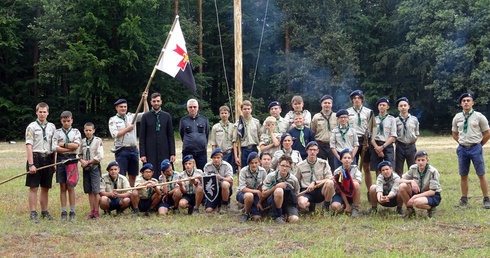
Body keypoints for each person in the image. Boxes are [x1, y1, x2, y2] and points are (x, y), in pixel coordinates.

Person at [451, 93, 490, 208]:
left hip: (476, 148)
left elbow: (487, 133)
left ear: (472, 103)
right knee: (463, 174)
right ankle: (464, 199)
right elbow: (454, 133)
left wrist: (479, 144)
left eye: (468, 100)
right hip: (463, 149)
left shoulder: (479, 116)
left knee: (481, 174)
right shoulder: (457, 117)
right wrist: (462, 143)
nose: (466, 102)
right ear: (460, 104)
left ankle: (486, 199)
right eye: (464, 101)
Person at [108, 93, 149, 187]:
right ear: (116, 108)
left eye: (125, 106)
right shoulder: (113, 120)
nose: (123, 108)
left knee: (133, 174)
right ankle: (123, 194)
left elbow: (146, 114)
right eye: (121, 107)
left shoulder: (131, 116)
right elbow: (115, 134)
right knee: (121, 174)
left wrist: (145, 100)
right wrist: (127, 128)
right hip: (122, 150)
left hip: (133, 150)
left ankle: (131, 193)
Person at [25, 102, 57, 222]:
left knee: (45, 187)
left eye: (44, 112)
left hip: (48, 158)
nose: (42, 114)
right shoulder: (31, 127)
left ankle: (44, 211)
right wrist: (31, 164)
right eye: (40, 112)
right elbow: (29, 145)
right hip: (36, 157)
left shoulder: (52, 127)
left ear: (48, 113)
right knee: (33, 187)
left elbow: (54, 147)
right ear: (36, 112)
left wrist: (53, 163)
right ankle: (33, 213)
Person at [52, 111, 81, 221]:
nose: (66, 123)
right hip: (60, 159)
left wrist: (63, 145)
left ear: (72, 120)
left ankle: (72, 211)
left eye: (68, 121)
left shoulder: (76, 132)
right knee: (62, 186)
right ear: (61, 121)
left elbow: (76, 146)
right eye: (64, 121)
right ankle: (64, 211)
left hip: (72, 160)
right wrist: (69, 147)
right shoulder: (57, 132)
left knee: (71, 186)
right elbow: (55, 148)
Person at [139, 92, 176, 180]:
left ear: (161, 102)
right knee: (151, 171)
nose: (156, 103)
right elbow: (142, 137)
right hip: (150, 150)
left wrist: (172, 153)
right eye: (154, 101)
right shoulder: (145, 117)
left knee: (166, 170)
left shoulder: (166, 116)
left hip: (164, 149)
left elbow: (170, 136)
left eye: (158, 101)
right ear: (151, 102)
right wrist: (142, 154)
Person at [398, 151, 442, 218]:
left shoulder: (433, 171)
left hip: (431, 195)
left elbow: (432, 191)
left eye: (423, 160)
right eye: (418, 160)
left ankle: (431, 208)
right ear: (415, 161)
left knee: (417, 202)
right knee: (402, 186)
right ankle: (410, 211)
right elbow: (400, 180)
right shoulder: (413, 168)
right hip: (418, 192)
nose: (420, 162)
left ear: (427, 160)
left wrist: (415, 197)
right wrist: (411, 181)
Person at [295, 141, 334, 213]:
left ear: (318, 151)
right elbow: (296, 180)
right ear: (307, 151)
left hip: (320, 189)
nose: (312, 152)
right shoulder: (300, 165)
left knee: (330, 183)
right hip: (307, 191)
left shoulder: (323, 163)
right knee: (302, 204)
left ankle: (326, 206)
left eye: (315, 150)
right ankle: (310, 205)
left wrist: (315, 182)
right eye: (310, 150)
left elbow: (329, 178)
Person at [261, 155, 300, 224]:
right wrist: (276, 187)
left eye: (287, 166)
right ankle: (278, 215)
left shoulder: (293, 179)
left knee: (295, 219)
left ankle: (286, 215)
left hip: (288, 202)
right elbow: (264, 194)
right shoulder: (271, 176)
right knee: (279, 190)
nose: (284, 168)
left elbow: (296, 193)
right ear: (278, 165)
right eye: (282, 165)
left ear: (290, 167)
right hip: (274, 201)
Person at [346, 90, 373, 191]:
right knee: (352, 167)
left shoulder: (369, 112)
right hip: (352, 141)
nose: (357, 100)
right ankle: (351, 190)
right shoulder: (347, 112)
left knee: (367, 167)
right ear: (352, 100)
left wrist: (368, 142)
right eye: (354, 98)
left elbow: (372, 128)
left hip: (364, 140)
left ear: (362, 99)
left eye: (359, 98)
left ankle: (370, 191)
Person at [78, 122, 104, 219]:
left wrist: (88, 162)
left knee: (96, 191)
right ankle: (91, 211)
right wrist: (82, 161)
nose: (88, 132)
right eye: (86, 130)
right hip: (86, 168)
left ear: (93, 131)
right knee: (89, 191)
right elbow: (79, 154)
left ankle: (97, 211)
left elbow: (100, 155)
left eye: (90, 130)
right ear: (84, 131)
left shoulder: (98, 141)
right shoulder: (83, 141)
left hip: (94, 168)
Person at [179, 98, 210, 170]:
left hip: (201, 151)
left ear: (198, 107)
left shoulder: (204, 120)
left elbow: (207, 134)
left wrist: (203, 144)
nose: (192, 108)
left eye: (194, 107)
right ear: (187, 108)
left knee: (203, 172)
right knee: (187, 172)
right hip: (188, 151)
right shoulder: (183, 120)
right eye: (190, 107)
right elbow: (182, 134)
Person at [237, 152, 267, 222]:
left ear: (259, 162)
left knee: (256, 218)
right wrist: (256, 191)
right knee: (249, 196)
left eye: (256, 163)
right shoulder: (244, 171)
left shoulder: (263, 171)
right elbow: (242, 188)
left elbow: (264, 186)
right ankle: (246, 214)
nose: (254, 165)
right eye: (252, 163)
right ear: (248, 163)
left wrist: (260, 201)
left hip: (257, 195)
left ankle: (252, 209)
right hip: (243, 193)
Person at [331, 150, 362, 217]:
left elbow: (358, 181)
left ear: (352, 160)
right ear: (341, 160)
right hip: (341, 193)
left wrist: (347, 182)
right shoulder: (337, 171)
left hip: (352, 193)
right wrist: (347, 204)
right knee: (335, 207)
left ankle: (355, 208)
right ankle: (346, 205)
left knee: (356, 184)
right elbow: (340, 189)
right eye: (344, 158)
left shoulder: (355, 169)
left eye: (349, 158)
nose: (347, 160)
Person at [370, 98, 397, 177]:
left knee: (390, 167)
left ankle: (391, 186)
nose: (381, 107)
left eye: (383, 105)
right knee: (378, 169)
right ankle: (379, 186)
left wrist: (383, 147)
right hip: (376, 145)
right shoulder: (374, 119)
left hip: (387, 145)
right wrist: (377, 148)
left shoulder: (392, 119)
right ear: (378, 107)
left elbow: (393, 135)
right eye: (380, 105)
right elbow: (372, 137)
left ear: (387, 107)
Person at [310, 94, 337, 170]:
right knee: (320, 167)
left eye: (329, 103)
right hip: (320, 145)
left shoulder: (336, 117)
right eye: (325, 103)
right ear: (321, 104)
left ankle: (334, 182)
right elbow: (313, 131)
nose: (327, 105)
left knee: (334, 167)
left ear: (332, 104)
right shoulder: (316, 117)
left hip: (333, 145)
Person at [203, 148, 234, 213]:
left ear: (221, 158)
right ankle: (216, 203)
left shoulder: (227, 166)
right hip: (213, 190)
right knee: (208, 210)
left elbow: (231, 180)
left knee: (225, 184)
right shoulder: (207, 166)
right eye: (214, 157)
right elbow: (205, 180)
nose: (216, 159)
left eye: (218, 157)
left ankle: (224, 204)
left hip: (224, 189)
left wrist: (221, 178)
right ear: (212, 158)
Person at [233, 100, 261, 169]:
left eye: (248, 109)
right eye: (245, 109)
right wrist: (236, 157)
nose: (247, 110)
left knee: (255, 169)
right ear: (241, 110)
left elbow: (260, 137)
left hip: (254, 148)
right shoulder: (238, 124)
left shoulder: (256, 122)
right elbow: (235, 141)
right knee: (244, 170)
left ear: (251, 110)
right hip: (243, 150)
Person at [395, 97, 419, 176]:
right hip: (400, 146)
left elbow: (416, 133)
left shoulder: (414, 119)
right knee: (398, 169)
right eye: (401, 106)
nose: (403, 107)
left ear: (408, 106)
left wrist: (412, 142)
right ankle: (399, 186)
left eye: (405, 105)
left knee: (413, 168)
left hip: (411, 146)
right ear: (398, 108)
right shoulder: (395, 120)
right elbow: (394, 134)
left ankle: (412, 187)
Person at [210, 105, 236, 173]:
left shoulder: (233, 126)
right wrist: (214, 155)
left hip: (230, 153)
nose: (224, 115)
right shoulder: (215, 127)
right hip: (220, 154)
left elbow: (234, 142)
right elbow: (213, 143)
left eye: (225, 113)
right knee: (220, 173)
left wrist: (236, 156)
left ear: (229, 114)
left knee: (230, 173)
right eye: (222, 113)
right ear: (219, 114)